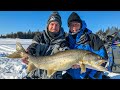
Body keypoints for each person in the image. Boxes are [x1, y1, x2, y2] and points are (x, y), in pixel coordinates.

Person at [22, 11, 69, 79]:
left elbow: (65, 50)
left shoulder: (63, 41)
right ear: (48, 25)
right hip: (33, 76)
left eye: (57, 25)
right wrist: (28, 52)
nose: (54, 27)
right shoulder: (39, 36)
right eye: (52, 24)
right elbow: (33, 46)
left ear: (60, 26)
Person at [63, 12, 108, 79]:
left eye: (77, 25)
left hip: (89, 76)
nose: (74, 28)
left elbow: (103, 58)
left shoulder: (92, 38)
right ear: (69, 26)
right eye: (72, 25)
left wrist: (91, 76)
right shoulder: (66, 40)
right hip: (72, 76)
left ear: (81, 25)